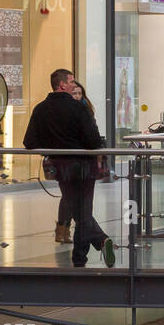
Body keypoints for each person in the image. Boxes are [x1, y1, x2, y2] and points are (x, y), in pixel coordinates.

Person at [23, 68, 115, 268]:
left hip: (61, 167)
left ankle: (97, 244)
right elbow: (93, 140)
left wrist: (52, 146)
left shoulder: (40, 109)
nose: (74, 84)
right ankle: (82, 257)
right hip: (84, 165)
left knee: (77, 210)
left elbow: (29, 141)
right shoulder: (78, 109)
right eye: (71, 81)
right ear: (62, 84)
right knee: (84, 211)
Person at [54, 80, 98, 243]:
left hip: (86, 160)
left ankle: (81, 230)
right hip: (67, 160)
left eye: (80, 93)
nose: (78, 96)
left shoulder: (87, 110)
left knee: (82, 198)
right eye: (74, 93)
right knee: (68, 196)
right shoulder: (64, 112)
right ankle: (62, 229)